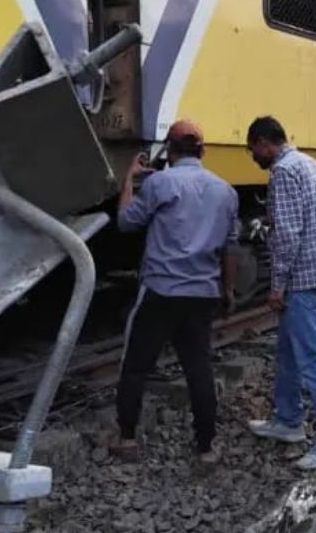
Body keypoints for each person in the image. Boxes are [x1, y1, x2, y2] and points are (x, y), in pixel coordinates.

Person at [111, 120, 239, 465]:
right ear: (203, 151)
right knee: (199, 368)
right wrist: (227, 291)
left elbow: (125, 221)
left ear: (170, 151)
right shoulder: (226, 191)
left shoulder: (159, 183)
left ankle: (125, 438)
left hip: (160, 290)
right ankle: (206, 447)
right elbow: (229, 249)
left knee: (136, 365)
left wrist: (129, 179)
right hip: (202, 294)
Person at [244, 116, 316, 470]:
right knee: (289, 353)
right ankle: (288, 420)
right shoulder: (309, 164)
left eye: (253, 150)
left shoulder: (283, 172)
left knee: (312, 358)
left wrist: (277, 285)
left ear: (264, 142)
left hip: (300, 278)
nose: (253, 157)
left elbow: (288, 236)